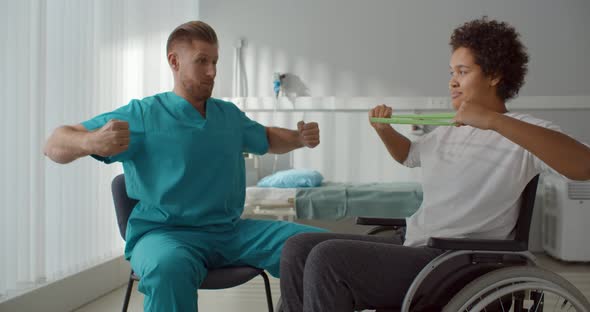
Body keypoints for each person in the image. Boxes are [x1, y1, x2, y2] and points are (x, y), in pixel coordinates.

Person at [279, 17, 590, 312]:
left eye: (463, 72)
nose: (453, 82)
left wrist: (494, 121)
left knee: (328, 259)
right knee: (298, 247)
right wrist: (385, 131)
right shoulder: (449, 129)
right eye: (451, 72)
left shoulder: (522, 130)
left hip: (457, 262)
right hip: (417, 246)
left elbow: (584, 166)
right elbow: (409, 156)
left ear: (495, 75)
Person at [43, 21, 326, 311]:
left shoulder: (227, 115)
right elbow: (53, 144)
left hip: (231, 233)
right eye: (202, 61)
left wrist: (298, 138)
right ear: (174, 61)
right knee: (169, 268)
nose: (212, 71)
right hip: (165, 235)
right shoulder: (143, 115)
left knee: (316, 249)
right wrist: (91, 142)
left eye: (215, 61)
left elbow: (264, 137)